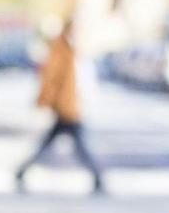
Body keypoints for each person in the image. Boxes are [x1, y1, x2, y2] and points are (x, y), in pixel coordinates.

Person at [15, 18, 105, 193]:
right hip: (68, 108)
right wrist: (46, 100)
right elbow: (53, 78)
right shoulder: (62, 50)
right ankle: (97, 176)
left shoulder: (70, 50)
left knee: (55, 144)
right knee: (78, 146)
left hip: (69, 107)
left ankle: (22, 171)